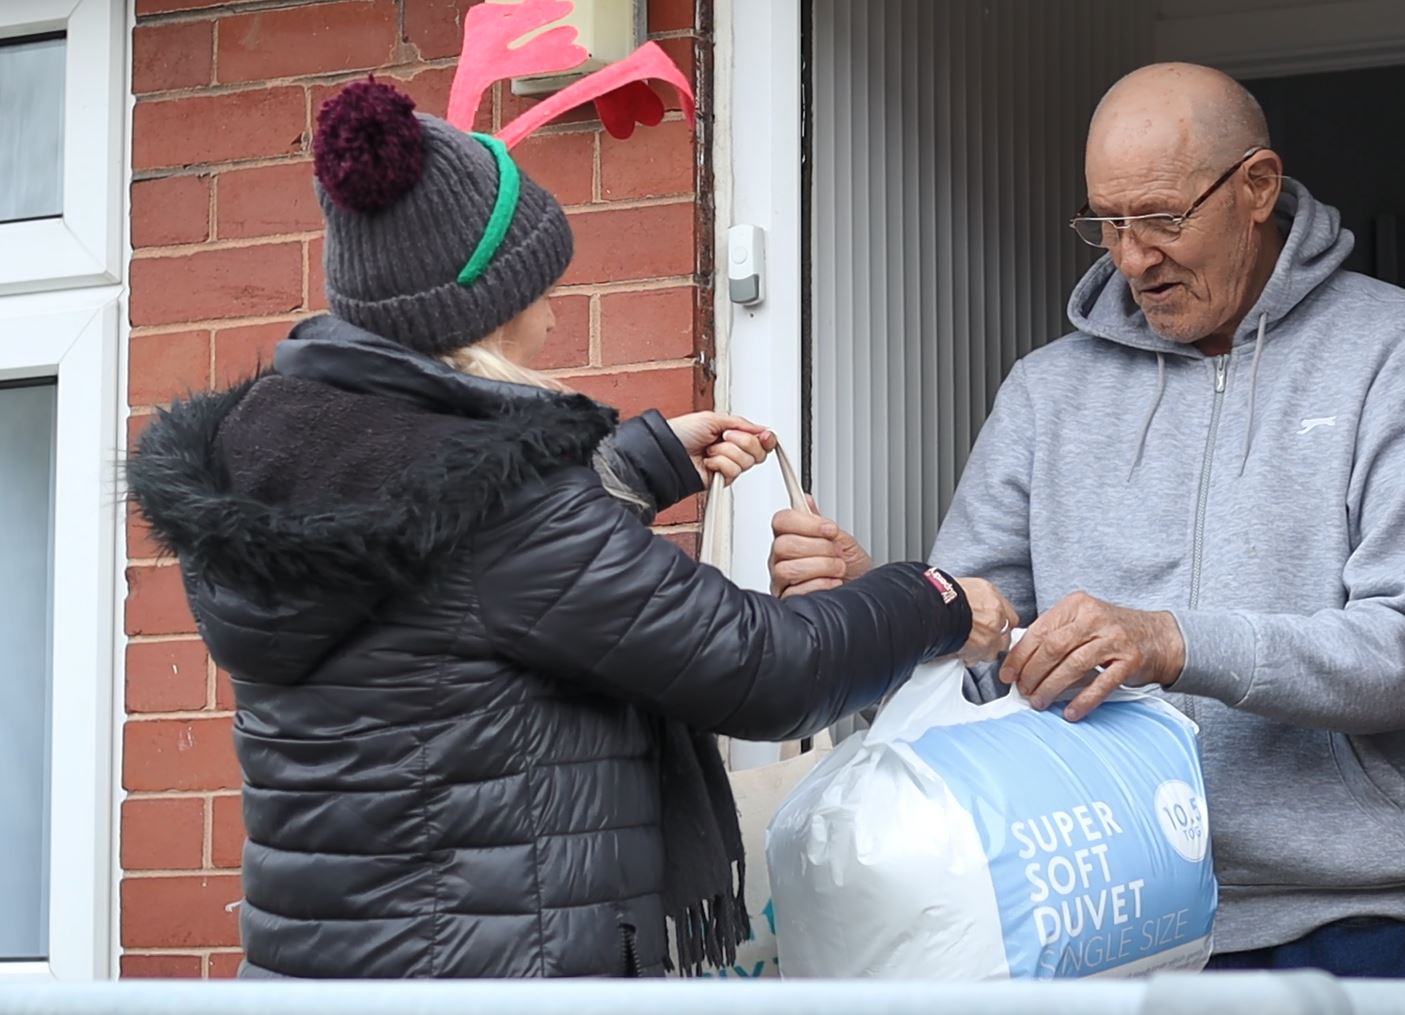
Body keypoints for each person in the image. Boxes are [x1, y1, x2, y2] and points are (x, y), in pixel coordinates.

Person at [126, 81, 1015, 980]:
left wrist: (634, 465)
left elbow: (457, 589)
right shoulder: (504, 517)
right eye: (539, 290)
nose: (552, 318)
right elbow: (765, 667)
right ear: (476, 311)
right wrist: (933, 600)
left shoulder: (279, 463)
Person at [769, 63, 1405, 978]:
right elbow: (980, 654)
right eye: (1105, 222)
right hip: (1096, 915)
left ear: (1257, 188)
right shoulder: (1046, 391)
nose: (1129, 257)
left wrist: (1171, 641)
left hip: (1341, 926)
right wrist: (878, 604)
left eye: (1159, 218)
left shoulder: (1400, 354)